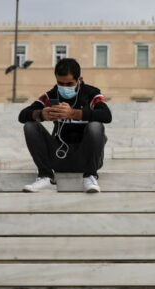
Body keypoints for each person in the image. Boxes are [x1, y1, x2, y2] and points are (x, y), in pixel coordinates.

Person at [18, 57, 111, 193]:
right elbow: (22, 115)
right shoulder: (50, 95)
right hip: (58, 155)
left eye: (69, 84)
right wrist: (41, 114)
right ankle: (46, 176)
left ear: (80, 79)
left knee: (96, 126)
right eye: (60, 83)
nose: (64, 88)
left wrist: (73, 114)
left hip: (85, 158)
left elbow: (106, 115)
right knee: (30, 126)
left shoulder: (91, 93)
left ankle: (90, 175)